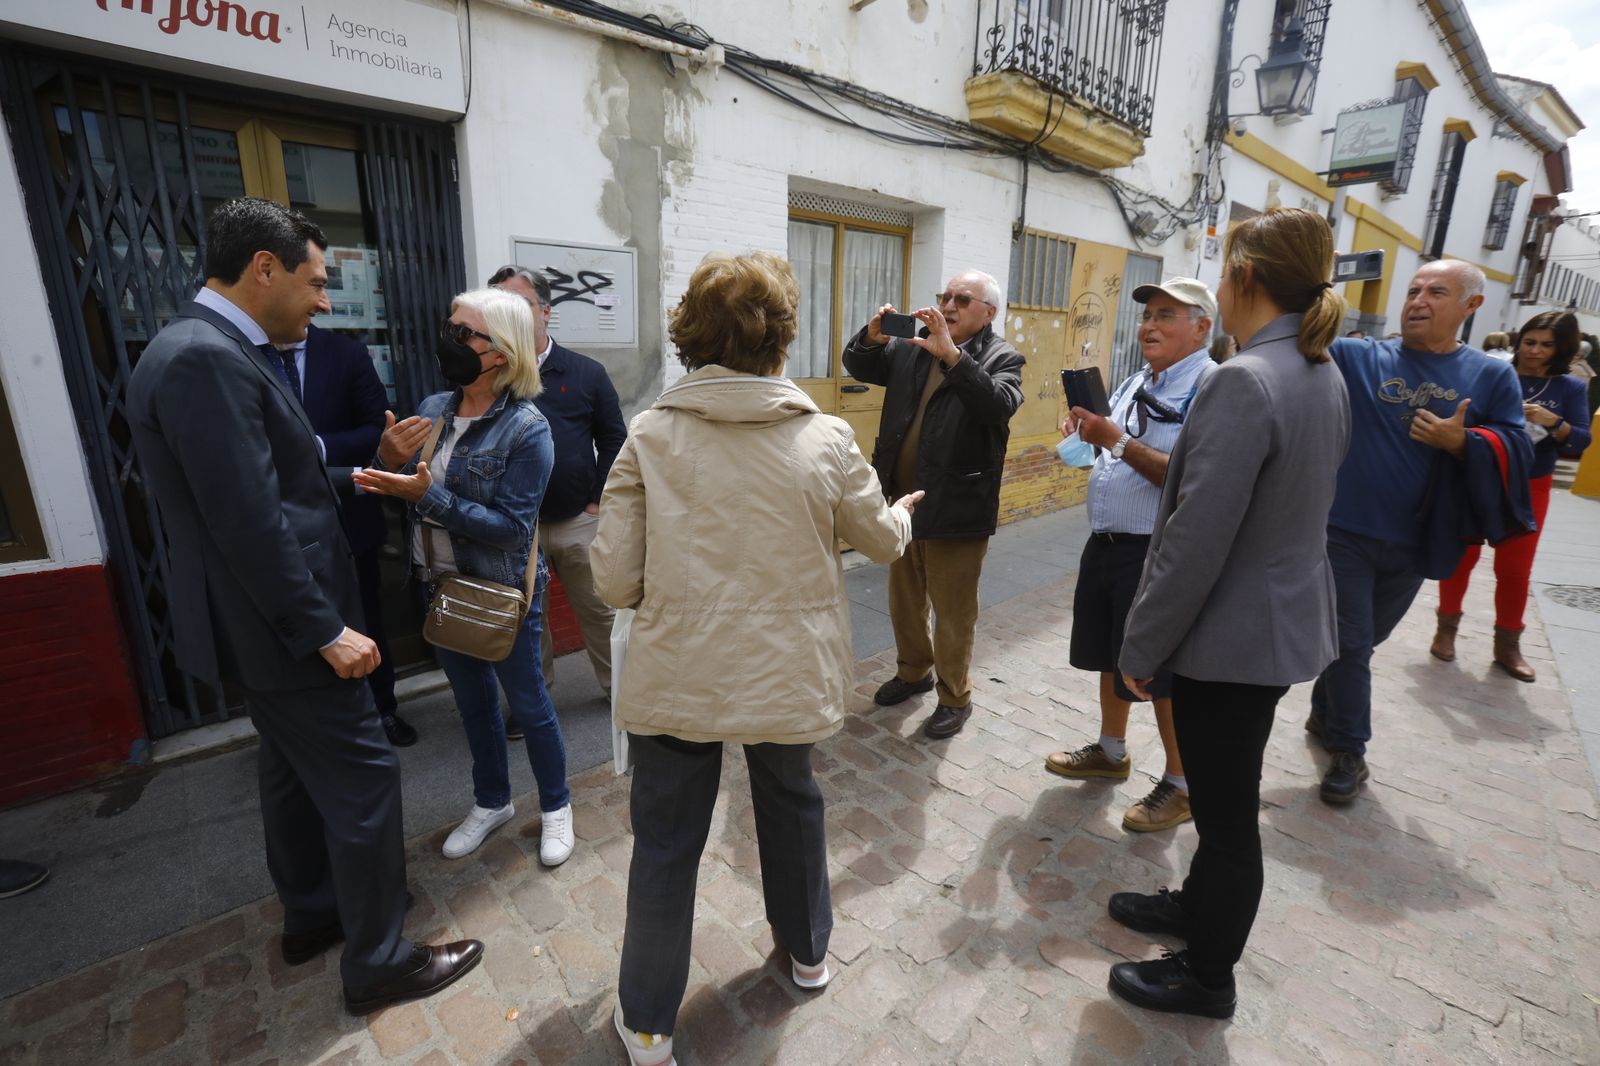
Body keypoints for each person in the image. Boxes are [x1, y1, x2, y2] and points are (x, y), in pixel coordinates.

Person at [127, 197, 480, 1014]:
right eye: (316, 283)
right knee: (363, 777)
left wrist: (359, 477)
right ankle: (381, 958)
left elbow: (268, 484)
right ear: (264, 269)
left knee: (288, 774)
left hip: (261, 629)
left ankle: (315, 916)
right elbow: (247, 521)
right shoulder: (204, 359)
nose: (324, 301)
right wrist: (323, 629)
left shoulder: (205, 347)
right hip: (285, 627)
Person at [592, 252, 919, 1066]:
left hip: (678, 675)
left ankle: (646, 1026)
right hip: (785, 672)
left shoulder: (651, 436)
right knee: (792, 805)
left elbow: (611, 579)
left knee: (666, 842)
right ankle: (808, 954)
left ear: (690, 335)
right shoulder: (828, 437)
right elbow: (880, 542)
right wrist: (903, 515)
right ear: (781, 337)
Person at [1104, 208, 1351, 1019]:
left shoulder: (1245, 379)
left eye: (1221, 264)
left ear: (1245, 277)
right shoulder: (1318, 369)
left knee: (1227, 813)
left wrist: (1141, 645)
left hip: (1233, 638)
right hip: (1273, 628)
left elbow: (1194, 540)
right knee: (1220, 797)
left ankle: (1207, 975)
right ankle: (1193, 909)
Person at [355, 288, 575, 867]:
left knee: (528, 707)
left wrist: (430, 496)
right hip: (441, 587)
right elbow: (399, 484)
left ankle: (556, 807)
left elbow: (511, 529)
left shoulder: (527, 430)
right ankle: (492, 801)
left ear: (500, 351)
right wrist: (388, 459)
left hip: (503, 592)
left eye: (463, 333)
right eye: (448, 327)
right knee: (473, 707)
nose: (447, 341)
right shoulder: (434, 405)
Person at [1307, 260, 1525, 805]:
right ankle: (1350, 751)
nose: (1418, 301)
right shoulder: (1360, 356)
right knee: (1352, 642)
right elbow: (1298, 347)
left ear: (1471, 306)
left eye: (1436, 292)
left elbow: (1516, 447)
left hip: (1421, 538)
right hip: (1342, 532)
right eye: (1413, 290)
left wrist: (1463, 443)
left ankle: (1324, 709)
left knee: (1361, 641)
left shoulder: (1492, 376)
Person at [1046, 278, 1218, 833]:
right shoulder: (1136, 379)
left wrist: (1115, 439)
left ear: (1202, 327)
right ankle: (1112, 750)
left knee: (1158, 669)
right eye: (1147, 314)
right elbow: (1100, 453)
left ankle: (1182, 783)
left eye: (1167, 315)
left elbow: (1190, 478)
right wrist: (1083, 436)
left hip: (1154, 550)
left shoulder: (1211, 388)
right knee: (1108, 654)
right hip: (1108, 544)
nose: (1149, 325)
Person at [843, 270, 1025, 739]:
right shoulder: (912, 346)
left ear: (989, 312)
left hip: (958, 507)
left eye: (963, 299)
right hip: (904, 503)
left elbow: (998, 406)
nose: (948, 306)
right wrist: (870, 337)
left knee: (953, 613)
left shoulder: (1003, 356)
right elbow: (859, 366)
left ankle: (954, 696)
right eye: (945, 296)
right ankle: (913, 672)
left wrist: (955, 358)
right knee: (903, 602)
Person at [489, 265, 627, 713]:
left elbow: (614, 439)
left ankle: (622, 691)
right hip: (513, 526)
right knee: (527, 621)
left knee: (599, 612)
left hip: (576, 521)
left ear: (545, 311)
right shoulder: (488, 376)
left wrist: (596, 499)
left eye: (520, 303)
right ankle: (533, 703)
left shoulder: (586, 372)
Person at [1432, 311, 1592, 679]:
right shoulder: (1493, 373)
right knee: (1462, 555)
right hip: (1480, 474)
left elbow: (1583, 439)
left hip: (1530, 483)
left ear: (1562, 348)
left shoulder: (1570, 388)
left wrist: (1553, 422)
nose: (1534, 351)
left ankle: (1507, 645)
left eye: (1546, 344)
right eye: (1530, 341)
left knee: (1515, 568)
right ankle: (1445, 631)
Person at [291, 323, 417, 747]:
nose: (323, 300)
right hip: (279, 526)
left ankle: (383, 711)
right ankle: (313, 724)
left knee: (364, 620)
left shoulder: (342, 353)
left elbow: (375, 430)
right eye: (315, 285)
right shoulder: (243, 352)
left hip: (349, 521)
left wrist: (311, 448)